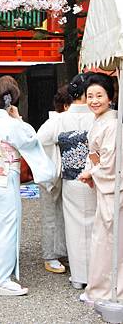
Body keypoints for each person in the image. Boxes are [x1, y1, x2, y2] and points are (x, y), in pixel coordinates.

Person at [0, 76, 55, 296]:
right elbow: (30, 140)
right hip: (6, 177)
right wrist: (19, 119)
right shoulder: (10, 124)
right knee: (7, 228)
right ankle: (1, 280)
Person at [37, 72, 96, 289]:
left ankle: (74, 271)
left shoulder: (59, 119)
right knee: (94, 224)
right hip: (95, 177)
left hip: (69, 177)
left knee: (69, 224)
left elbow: (39, 141)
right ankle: (93, 271)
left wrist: (55, 161)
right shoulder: (99, 117)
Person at [79, 73, 123, 304]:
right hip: (104, 185)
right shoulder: (100, 121)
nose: (94, 100)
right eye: (90, 96)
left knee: (109, 242)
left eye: (99, 96)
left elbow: (110, 162)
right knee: (102, 241)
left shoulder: (113, 124)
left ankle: (110, 291)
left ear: (110, 97)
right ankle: (99, 289)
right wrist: (92, 173)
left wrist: (92, 173)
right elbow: (96, 156)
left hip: (114, 190)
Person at [37, 85, 72, 274]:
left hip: (63, 174)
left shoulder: (63, 120)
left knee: (63, 215)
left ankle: (62, 250)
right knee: (51, 216)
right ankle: (50, 255)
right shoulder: (54, 122)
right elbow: (38, 142)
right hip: (50, 175)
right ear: (66, 105)